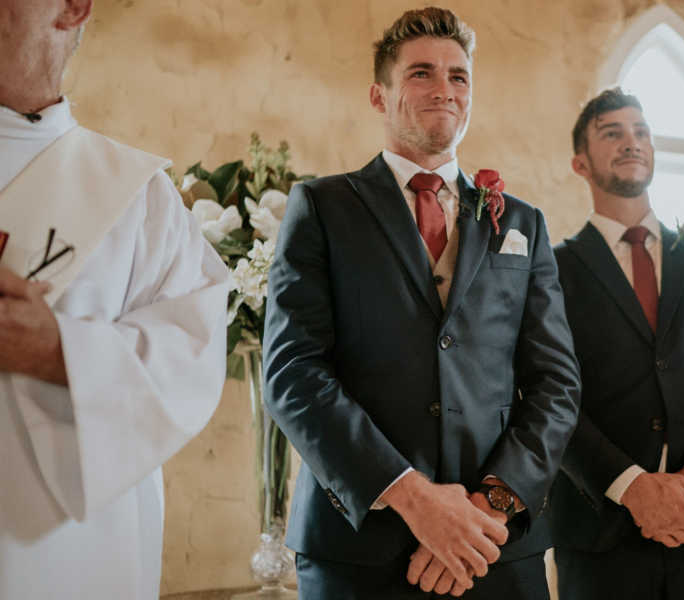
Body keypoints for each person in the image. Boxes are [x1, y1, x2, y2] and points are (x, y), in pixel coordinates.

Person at [263, 6, 580, 600]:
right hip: (358, 548)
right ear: (379, 97)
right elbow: (292, 374)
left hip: (496, 550)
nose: (445, 90)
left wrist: (487, 509)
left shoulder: (523, 224)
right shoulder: (323, 208)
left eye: (459, 76)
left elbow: (555, 384)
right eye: (421, 74)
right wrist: (412, 497)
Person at [0, 1, 228, 598]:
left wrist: (58, 352)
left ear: (73, 7)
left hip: (70, 556)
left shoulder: (138, 197)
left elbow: (193, 362)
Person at [549, 88, 684, 599]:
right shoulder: (552, 270)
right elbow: (549, 395)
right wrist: (633, 487)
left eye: (641, 132)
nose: (632, 142)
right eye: (613, 133)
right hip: (601, 527)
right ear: (580, 163)